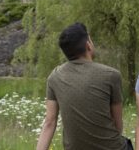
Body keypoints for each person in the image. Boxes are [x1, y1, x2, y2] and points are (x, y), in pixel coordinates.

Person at [36, 22, 130, 150]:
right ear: (88, 45)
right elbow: (118, 124)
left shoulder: (55, 77)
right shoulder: (111, 75)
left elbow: (49, 123)